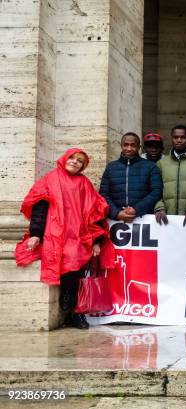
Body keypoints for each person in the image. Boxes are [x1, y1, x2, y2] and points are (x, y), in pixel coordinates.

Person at [14, 148, 115, 329]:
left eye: (80, 160)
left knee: (76, 265)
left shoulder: (84, 183)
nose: (75, 162)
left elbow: (96, 212)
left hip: (79, 235)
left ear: (83, 166)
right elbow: (40, 209)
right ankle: (69, 307)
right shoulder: (49, 180)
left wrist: (97, 241)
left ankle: (75, 311)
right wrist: (36, 234)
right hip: (55, 233)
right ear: (64, 158)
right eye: (72, 158)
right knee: (65, 262)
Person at [100, 132, 163, 223]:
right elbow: (103, 193)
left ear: (139, 147)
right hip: (116, 221)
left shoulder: (151, 167)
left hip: (144, 220)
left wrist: (136, 209)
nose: (129, 149)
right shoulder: (111, 167)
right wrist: (117, 213)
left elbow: (156, 191)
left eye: (133, 145)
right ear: (121, 145)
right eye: (126, 145)